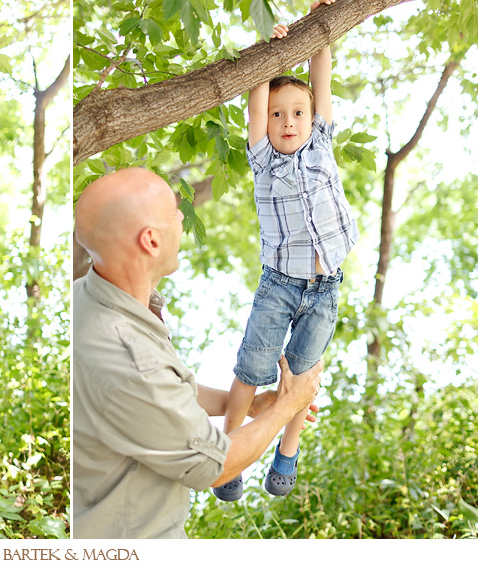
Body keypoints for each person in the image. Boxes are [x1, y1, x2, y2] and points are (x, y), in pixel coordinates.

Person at [73, 167, 323, 538]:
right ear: (151, 241)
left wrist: (245, 405)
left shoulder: (85, 298)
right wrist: (287, 406)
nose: (183, 219)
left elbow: (162, 396)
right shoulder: (128, 355)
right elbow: (214, 467)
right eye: (175, 212)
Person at [214, 0, 359, 502]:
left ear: (312, 116)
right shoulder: (262, 160)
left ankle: (288, 451)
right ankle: (226, 454)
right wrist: (267, 52)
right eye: (279, 115)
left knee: (302, 375)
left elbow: (322, 75)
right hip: (278, 285)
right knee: (252, 368)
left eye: (298, 112)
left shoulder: (321, 142)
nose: (289, 121)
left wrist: (321, 25)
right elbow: (258, 97)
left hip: (325, 287)